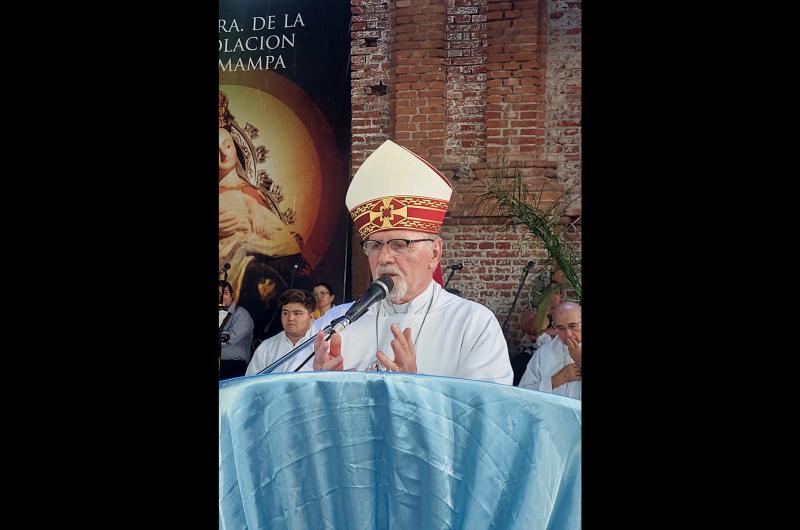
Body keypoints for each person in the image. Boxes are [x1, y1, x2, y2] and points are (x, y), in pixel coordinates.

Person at [307, 140, 513, 384]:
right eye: (374, 245)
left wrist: (414, 390)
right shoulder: (336, 324)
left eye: (399, 244)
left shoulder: (473, 324)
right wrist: (317, 385)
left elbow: (486, 416)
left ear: (435, 253)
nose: (383, 258)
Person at [218, 91, 312, 342]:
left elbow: (283, 242)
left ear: (236, 148)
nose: (224, 155)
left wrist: (247, 244)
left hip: (240, 270)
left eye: (227, 146)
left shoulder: (249, 197)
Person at [518, 301, 582, 399]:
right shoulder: (543, 353)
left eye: (573, 326)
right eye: (561, 328)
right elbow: (522, 395)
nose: (568, 334)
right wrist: (554, 381)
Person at [246, 289, 316, 375]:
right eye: (285, 313)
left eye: (297, 313)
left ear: (311, 316)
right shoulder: (266, 347)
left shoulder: (324, 343)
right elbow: (251, 382)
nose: (290, 318)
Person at [219, 280, 255, 380]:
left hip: (233, 364)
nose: (221, 297)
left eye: (225, 293)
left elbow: (230, 339)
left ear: (232, 295)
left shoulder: (241, 315)